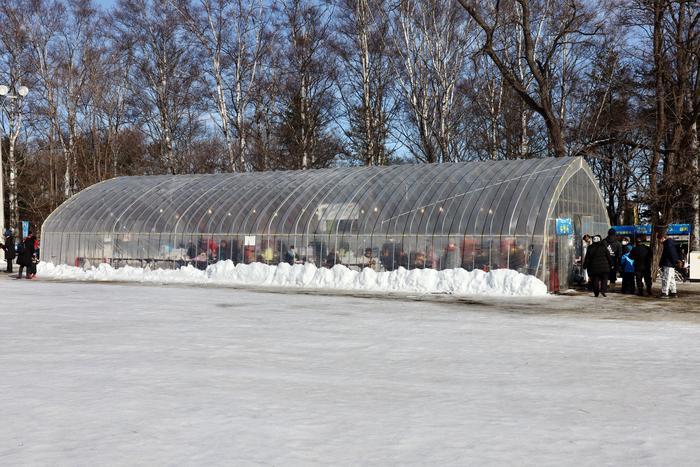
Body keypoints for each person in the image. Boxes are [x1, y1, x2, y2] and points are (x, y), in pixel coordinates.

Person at [658, 232, 680, 298]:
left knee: (666, 279)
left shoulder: (668, 244)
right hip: (671, 264)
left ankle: (664, 293)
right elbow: (673, 254)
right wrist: (675, 262)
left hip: (668, 264)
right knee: (671, 279)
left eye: (659, 239)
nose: (659, 241)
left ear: (662, 238)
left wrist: (674, 262)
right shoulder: (670, 243)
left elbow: (671, 254)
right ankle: (673, 292)